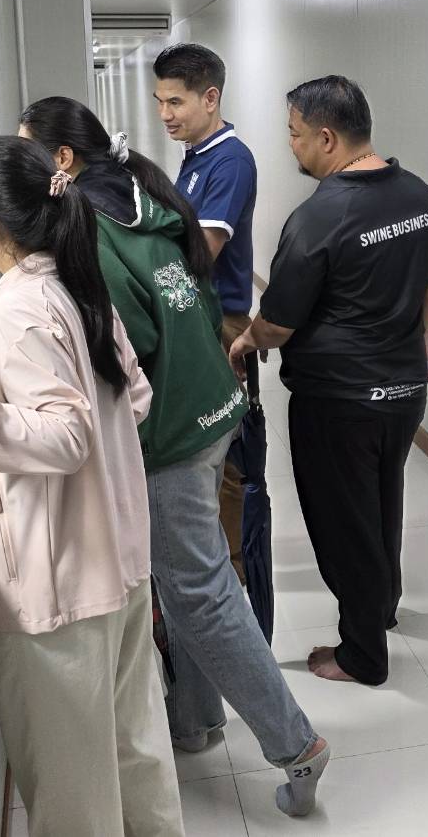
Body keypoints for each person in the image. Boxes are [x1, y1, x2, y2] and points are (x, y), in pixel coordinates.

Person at [19, 96, 329, 818]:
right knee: (187, 580)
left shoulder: (89, 228)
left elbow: (125, 352)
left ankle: (297, 745)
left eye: (28, 149)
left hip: (172, 433)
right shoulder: (140, 199)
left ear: (62, 159)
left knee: (199, 590)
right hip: (211, 404)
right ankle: (195, 719)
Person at [0, 135, 182, 837]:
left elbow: (66, 435)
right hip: (115, 564)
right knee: (134, 757)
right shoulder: (74, 284)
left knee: (71, 793)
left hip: (57, 591)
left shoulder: (18, 308)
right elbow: (133, 397)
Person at [229, 76, 428, 688]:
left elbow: (279, 323)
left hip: (338, 399)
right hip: (403, 391)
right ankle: (383, 607)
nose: (292, 146)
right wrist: (418, 342)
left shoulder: (318, 217)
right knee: (381, 502)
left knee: (342, 525)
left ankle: (363, 654)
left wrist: (246, 340)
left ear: (327, 138)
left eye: (295, 135)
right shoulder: (425, 201)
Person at [154, 43, 259, 584]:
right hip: (199, 316)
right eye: (160, 101)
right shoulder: (196, 155)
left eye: (175, 102)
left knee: (226, 452)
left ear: (210, 97)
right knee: (208, 446)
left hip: (223, 324)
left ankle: (233, 576)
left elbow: (203, 252)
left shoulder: (230, 160)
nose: (165, 114)